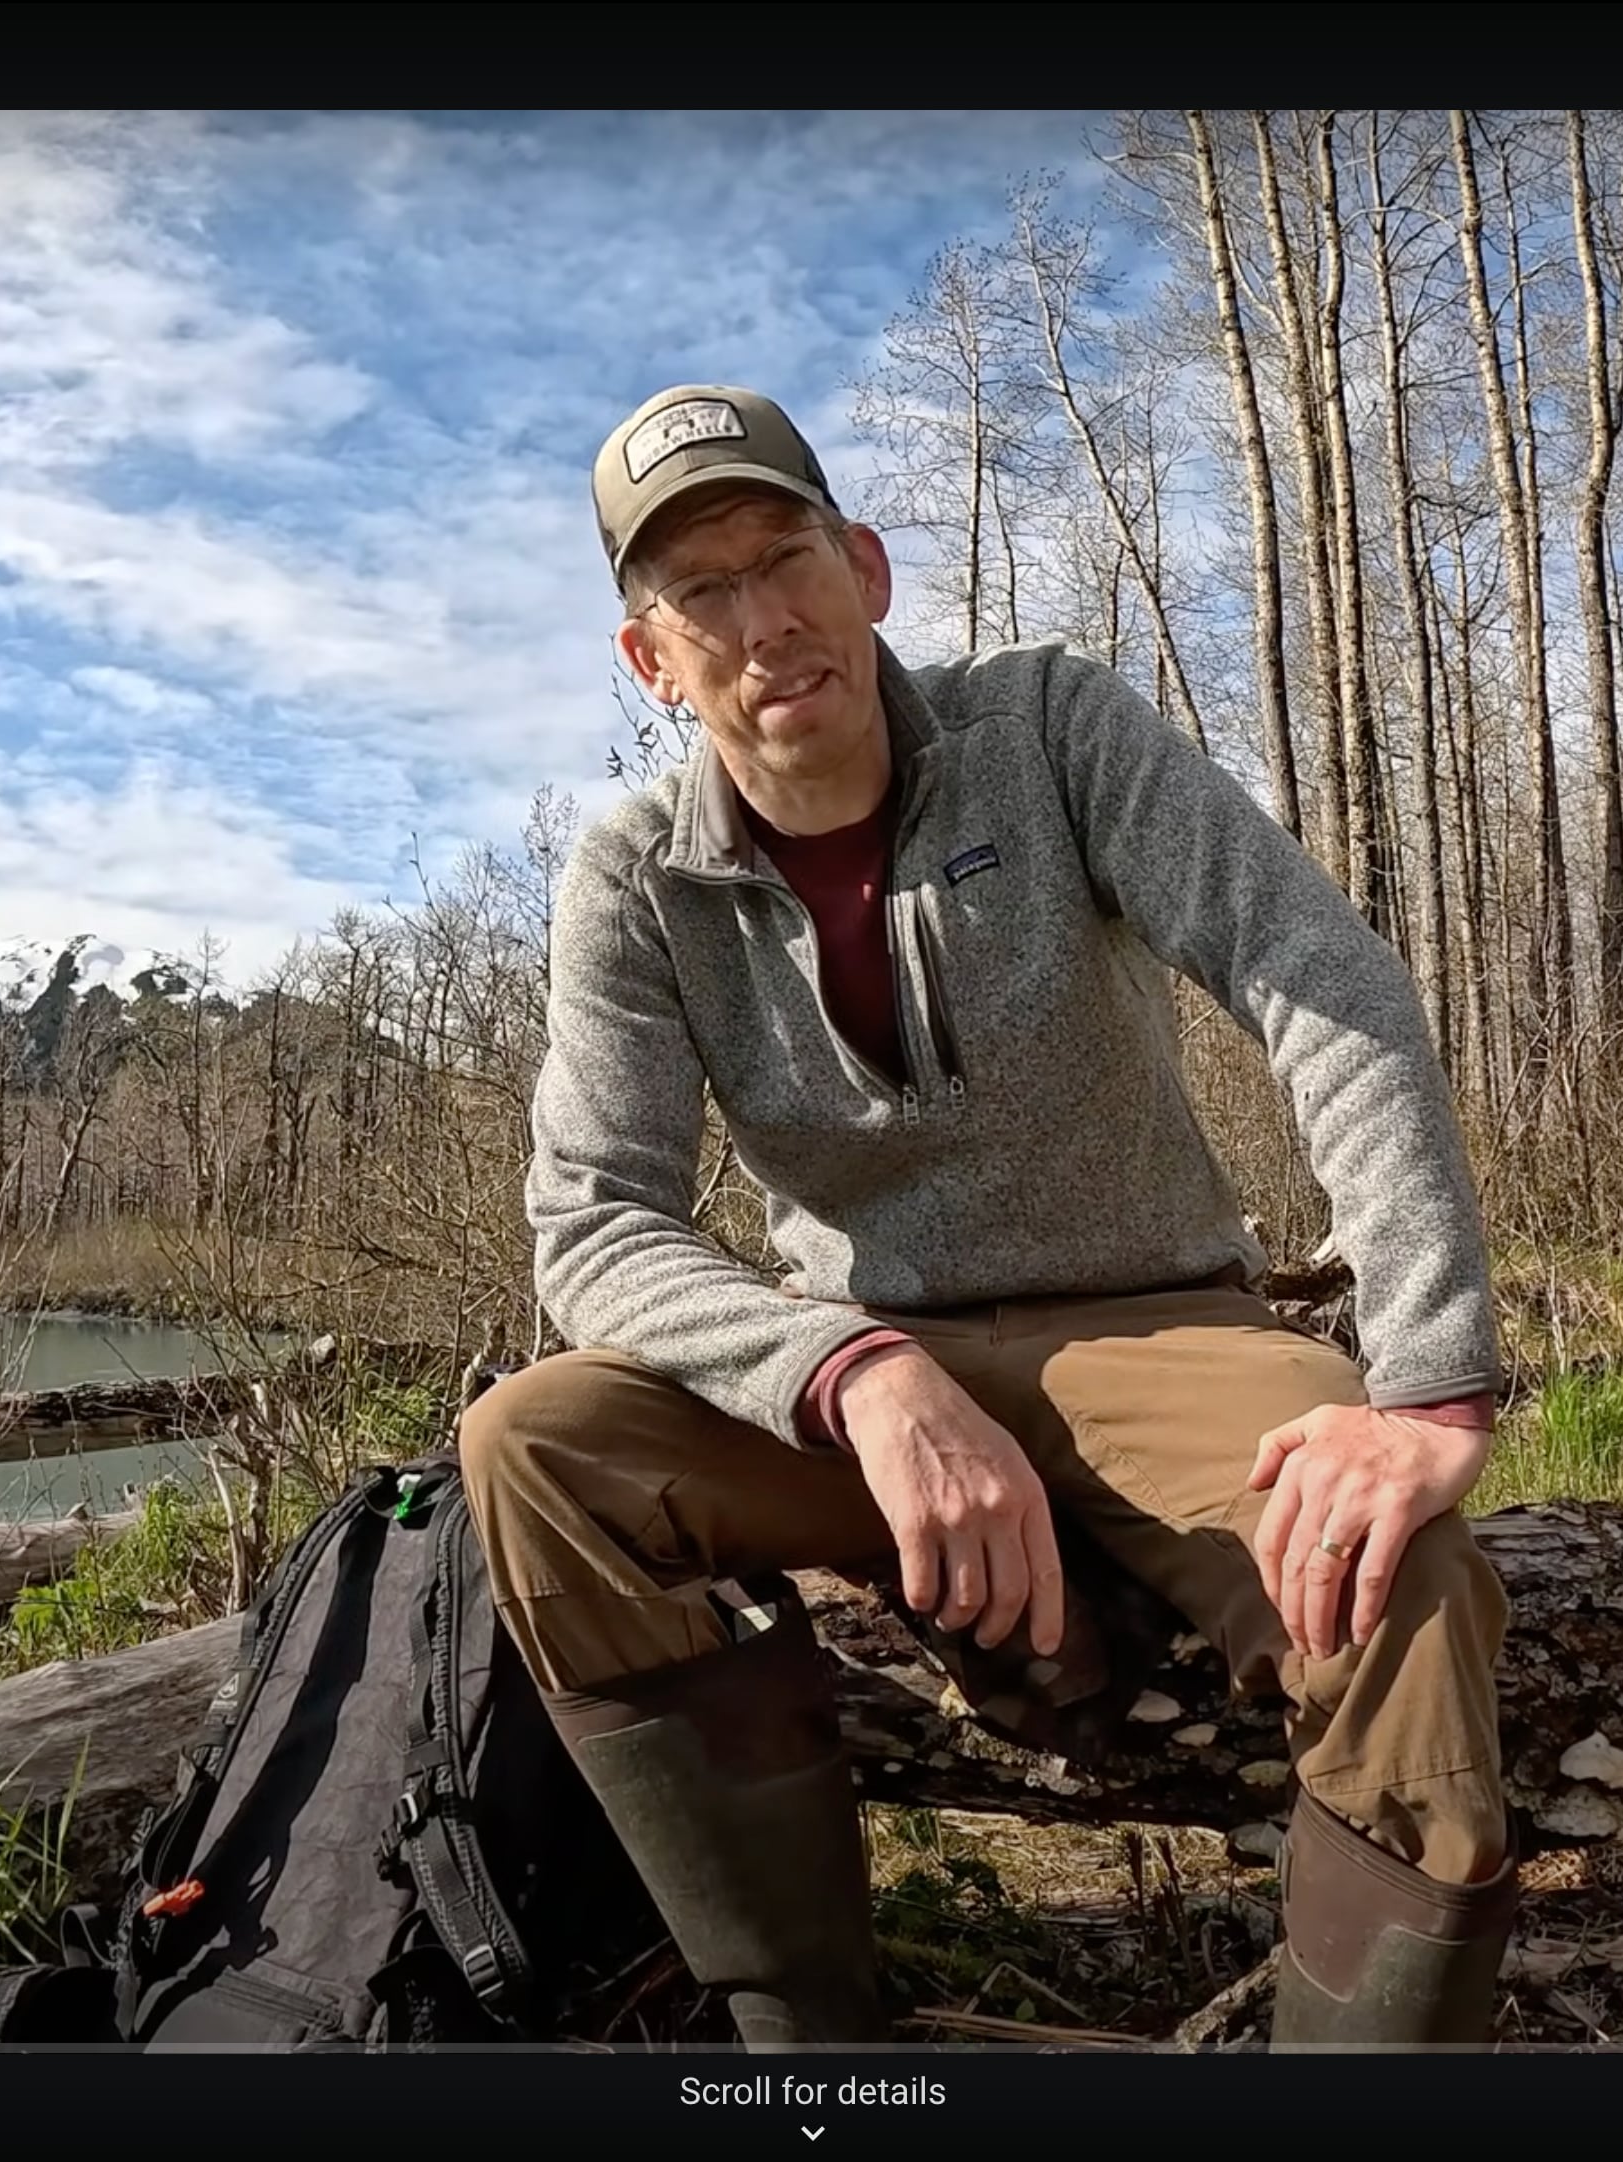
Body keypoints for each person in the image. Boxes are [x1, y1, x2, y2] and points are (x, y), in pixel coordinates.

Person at [460, 383, 1514, 2050]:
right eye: (702, 593)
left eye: (784, 552)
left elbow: (1320, 979)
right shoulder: (637, 878)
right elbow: (591, 1224)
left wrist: (1434, 1378)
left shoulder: (1047, 728)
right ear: (649, 660)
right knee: (534, 1448)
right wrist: (858, 1374)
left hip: (1158, 1329)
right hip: (868, 1387)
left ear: (865, 567)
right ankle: (814, 2039)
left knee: (1391, 1581)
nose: (765, 619)